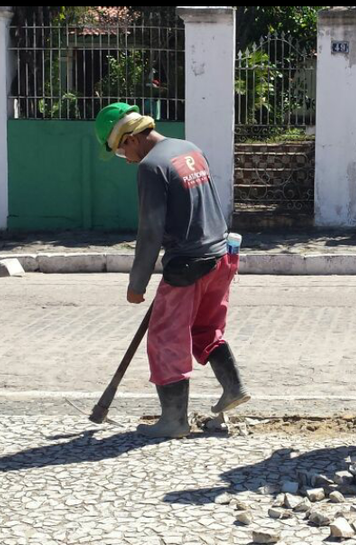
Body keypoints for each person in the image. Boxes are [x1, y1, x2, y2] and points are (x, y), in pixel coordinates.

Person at [94, 102, 250, 438]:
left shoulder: (151, 167)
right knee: (205, 328)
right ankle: (233, 387)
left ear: (130, 139)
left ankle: (173, 421)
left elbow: (150, 230)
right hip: (222, 255)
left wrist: (137, 283)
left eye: (121, 151)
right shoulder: (188, 148)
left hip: (188, 265)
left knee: (165, 338)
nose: (126, 158)